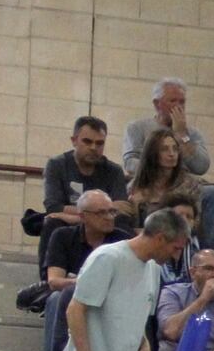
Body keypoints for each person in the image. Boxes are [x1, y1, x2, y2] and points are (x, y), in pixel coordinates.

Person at [65, 209, 187, 351]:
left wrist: (144, 345)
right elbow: (75, 310)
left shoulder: (153, 269)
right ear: (159, 238)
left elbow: (136, 314)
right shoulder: (108, 258)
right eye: (175, 248)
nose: (176, 256)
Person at [120, 79, 214, 247]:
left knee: (212, 193)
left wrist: (182, 135)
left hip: (184, 185)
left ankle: (210, 254)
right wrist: (156, 167)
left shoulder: (192, 133)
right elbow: (130, 162)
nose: (178, 106)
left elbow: (201, 166)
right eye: (172, 101)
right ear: (157, 104)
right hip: (150, 182)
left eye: (182, 102)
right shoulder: (137, 127)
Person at [43, 117, 132, 254]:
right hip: (71, 227)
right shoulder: (56, 165)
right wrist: (98, 214)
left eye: (99, 143)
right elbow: (53, 206)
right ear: (74, 141)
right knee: (52, 223)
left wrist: (81, 216)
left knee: (123, 223)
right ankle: (49, 274)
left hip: (99, 223)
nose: (93, 148)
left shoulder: (114, 171)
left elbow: (121, 208)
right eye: (87, 141)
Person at [43, 189, 122, 296]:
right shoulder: (62, 236)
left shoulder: (122, 240)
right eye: (101, 213)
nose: (109, 217)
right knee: (57, 297)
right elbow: (54, 281)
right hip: (73, 295)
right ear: (82, 217)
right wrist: (85, 282)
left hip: (110, 297)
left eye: (112, 212)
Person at [126, 127, 205, 226]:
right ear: (152, 154)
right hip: (145, 237)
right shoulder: (135, 186)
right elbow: (130, 227)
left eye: (175, 149)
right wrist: (135, 206)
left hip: (179, 236)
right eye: (164, 149)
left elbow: (196, 223)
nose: (172, 154)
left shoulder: (190, 184)